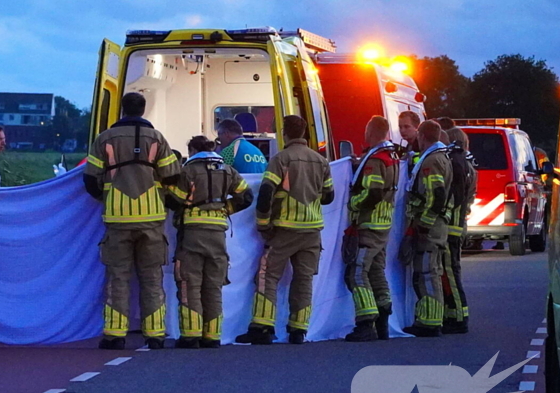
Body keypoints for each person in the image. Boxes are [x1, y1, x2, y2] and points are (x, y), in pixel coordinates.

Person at [84, 92, 180, 350]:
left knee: (118, 277)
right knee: (151, 277)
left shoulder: (104, 138)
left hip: (117, 218)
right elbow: (173, 176)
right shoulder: (157, 138)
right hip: (151, 219)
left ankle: (115, 335)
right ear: (144, 109)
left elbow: (90, 179)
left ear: (122, 109)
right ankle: (155, 335)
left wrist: (108, 198)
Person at [237, 115, 334, 345]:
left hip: (285, 229)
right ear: (304, 133)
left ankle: (263, 327)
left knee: (267, 274)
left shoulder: (281, 159)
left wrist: (263, 224)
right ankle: (299, 330)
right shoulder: (320, 161)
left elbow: (266, 193)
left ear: (285, 133)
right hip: (311, 231)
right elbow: (329, 197)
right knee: (304, 279)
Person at [166, 136, 253, 348]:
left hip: (192, 235)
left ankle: (191, 336)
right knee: (213, 286)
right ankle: (212, 337)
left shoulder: (188, 170)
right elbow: (247, 197)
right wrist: (224, 209)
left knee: (189, 283)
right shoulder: (228, 170)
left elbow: (174, 200)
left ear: (193, 149)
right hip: (218, 235)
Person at [343, 116, 399, 342]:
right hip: (383, 225)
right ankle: (383, 317)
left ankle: (366, 322)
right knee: (376, 271)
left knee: (356, 273)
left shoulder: (376, 160)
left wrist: (353, 203)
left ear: (371, 132)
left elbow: (373, 192)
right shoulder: (390, 157)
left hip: (369, 225)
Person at [403, 120, 453, 338]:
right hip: (437, 226)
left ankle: (430, 322)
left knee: (426, 273)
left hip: (430, 229)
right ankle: (429, 318)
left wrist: (424, 223)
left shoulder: (431, 161)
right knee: (431, 271)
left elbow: (437, 195)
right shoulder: (442, 156)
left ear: (422, 136)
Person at [442, 127, 476, 334]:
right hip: (457, 224)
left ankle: (459, 317)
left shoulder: (457, 163)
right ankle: (455, 314)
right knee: (451, 271)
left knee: (450, 272)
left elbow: (454, 196)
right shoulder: (467, 162)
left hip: (452, 225)